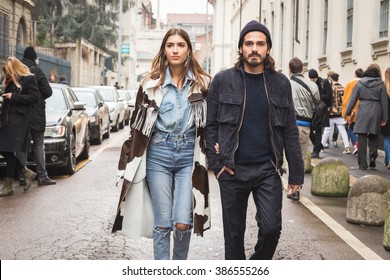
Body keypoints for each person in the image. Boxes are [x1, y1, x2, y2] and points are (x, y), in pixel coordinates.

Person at [205, 20, 304, 260]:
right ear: (241, 48)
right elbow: (210, 127)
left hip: (267, 169)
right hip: (231, 170)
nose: (254, 48)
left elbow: (289, 129)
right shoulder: (222, 80)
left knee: (271, 229)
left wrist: (296, 173)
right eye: (249, 43)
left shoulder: (281, 83)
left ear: (268, 49)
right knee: (234, 235)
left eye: (260, 43)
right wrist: (217, 165)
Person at [111, 28, 211, 260]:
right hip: (159, 155)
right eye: (170, 45)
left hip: (189, 156)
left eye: (180, 45)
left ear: (188, 50)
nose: (175, 50)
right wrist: (128, 160)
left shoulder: (202, 84)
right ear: (164, 50)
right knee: (163, 223)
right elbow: (136, 127)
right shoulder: (149, 84)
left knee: (183, 223)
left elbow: (210, 125)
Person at [0, 57, 40, 197]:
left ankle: (8, 185)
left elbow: (35, 98)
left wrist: (13, 97)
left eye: (9, 71)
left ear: (15, 68)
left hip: (18, 120)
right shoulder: (10, 80)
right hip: (7, 119)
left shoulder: (29, 79)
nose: (7, 74)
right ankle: (25, 172)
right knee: (6, 150)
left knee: (7, 149)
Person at [16, 46, 56, 186]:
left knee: (22, 146)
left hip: (20, 114)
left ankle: (23, 176)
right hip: (36, 114)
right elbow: (48, 91)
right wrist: (38, 98)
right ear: (34, 58)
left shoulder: (16, 71)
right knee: (38, 145)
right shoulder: (37, 71)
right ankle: (42, 176)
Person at [346, 64, 388, 170]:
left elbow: (352, 99)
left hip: (363, 109)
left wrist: (347, 112)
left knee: (362, 136)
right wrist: (385, 117)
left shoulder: (360, 83)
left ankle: (362, 164)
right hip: (376, 109)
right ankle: (373, 157)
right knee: (374, 134)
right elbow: (384, 102)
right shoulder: (381, 84)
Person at [289, 58, 320, 182]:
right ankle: (296, 187)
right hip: (305, 125)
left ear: (289, 69)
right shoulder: (313, 85)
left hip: (289, 125)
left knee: (289, 156)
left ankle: (290, 183)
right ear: (302, 69)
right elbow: (316, 105)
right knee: (301, 156)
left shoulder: (286, 83)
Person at [321, 73, 351, 154]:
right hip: (340, 113)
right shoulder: (343, 88)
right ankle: (347, 147)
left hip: (331, 113)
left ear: (331, 78)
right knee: (342, 130)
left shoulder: (330, 88)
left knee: (327, 130)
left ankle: (322, 145)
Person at [308, 69, 333, 158]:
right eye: (310, 79)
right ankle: (318, 146)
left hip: (322, 110)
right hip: (313, 110)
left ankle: (316, 151)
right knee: (309, 129)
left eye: (313, 79)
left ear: (317, 77)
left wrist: (316, 97)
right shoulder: (311, 84)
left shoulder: (324, 83)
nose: (312, 81)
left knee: (318, 130)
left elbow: (329, 96)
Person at [342, 68, 364, 155]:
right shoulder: (365, 83)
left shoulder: (350, 84)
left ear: (355, 74)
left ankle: (356, 143)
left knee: (349, 128)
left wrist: (345, 112)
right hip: (363, 110)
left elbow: (346, 99)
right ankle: (359, 146)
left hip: (352, 111)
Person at [382, 67, 390, 168]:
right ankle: (386, 160)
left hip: (386, 117)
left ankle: (388, 159)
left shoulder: (383, 88)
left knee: (387, 139)